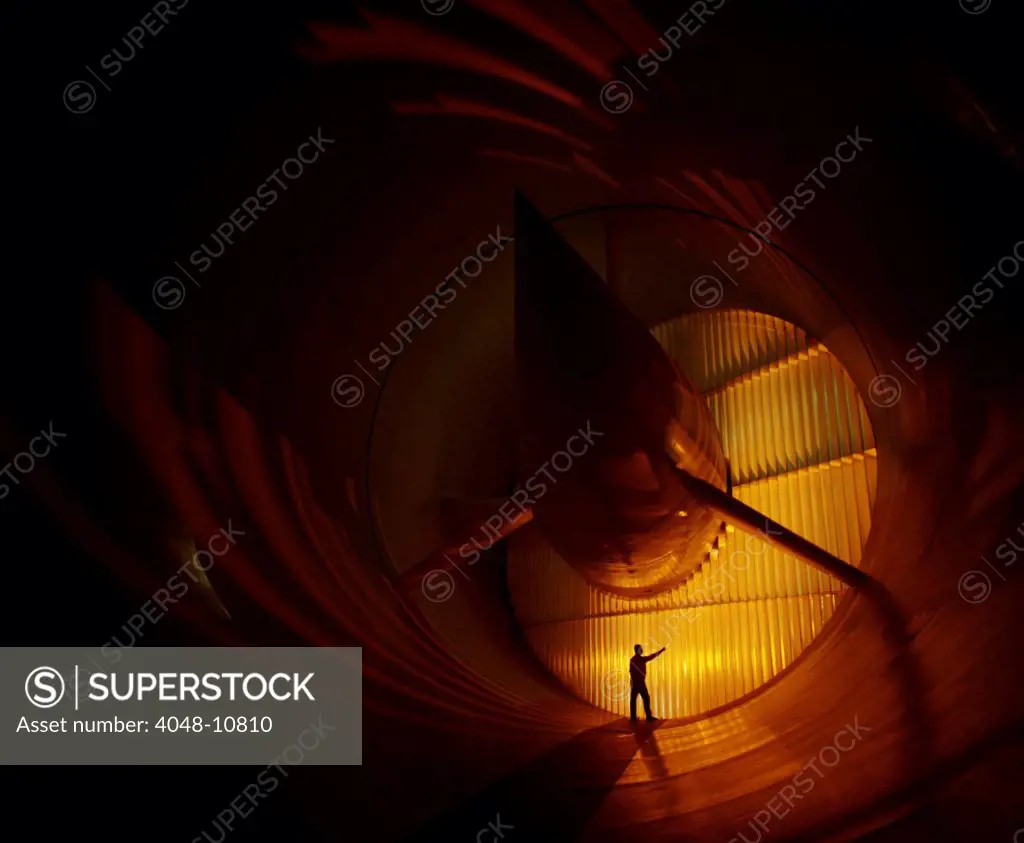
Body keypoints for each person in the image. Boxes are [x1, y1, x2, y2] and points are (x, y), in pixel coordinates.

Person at [629, 643, 666, 722]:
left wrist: (632, 682)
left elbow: (631, 672)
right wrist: (661, 650)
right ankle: (648, 716)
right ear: (638, 650)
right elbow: (652, 656)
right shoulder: (640, 659)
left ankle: (633, 717)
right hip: (640, 683)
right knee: (645, 698)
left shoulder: (632, 659)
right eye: (640, 648)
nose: (642, 650)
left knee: (634, 700)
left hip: (636, 683)